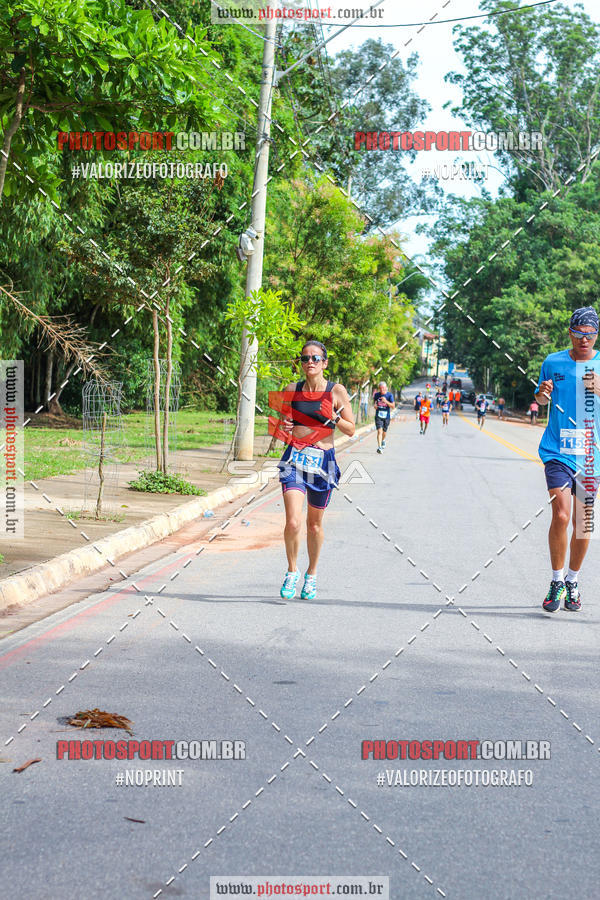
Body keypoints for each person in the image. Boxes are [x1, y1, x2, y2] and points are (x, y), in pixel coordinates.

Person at [275, 340, 355, 601]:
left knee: (314, 525)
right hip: (295, 459)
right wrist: (284, 426)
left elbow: (351, 429)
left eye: (316, 358)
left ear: (325, 363)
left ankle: (311, 575)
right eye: (305, 358)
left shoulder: (336, 391)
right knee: (293, 521)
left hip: (322, 462)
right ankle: (291, 571)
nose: (310, 362)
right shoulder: (291, 389)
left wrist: (334, 417)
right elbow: (281, 424)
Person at [535, 307, 600, 613]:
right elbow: (542, 399)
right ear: (570, 333)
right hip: (557, 450)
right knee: (561, 516)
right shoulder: (553, 361)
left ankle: (573, 580)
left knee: (583, 524)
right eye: (579, 333)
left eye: (590, 334)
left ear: (596, 335)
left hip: (591, 454)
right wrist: (542, 394)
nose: (584, 339)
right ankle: (556, 580)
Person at [373, 380, 395, 452]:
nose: (381, 390)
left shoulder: (389, 395)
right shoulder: (377, 395)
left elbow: (393, 406)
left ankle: (383, 440)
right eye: (380, 388)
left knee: (384, 432)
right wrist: (375, 406)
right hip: (378, 415)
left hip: (386, 416)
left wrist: (386, 401)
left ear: (386, 388)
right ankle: (379, 447)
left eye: (383, 388)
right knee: (379, 431)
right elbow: (375, 403)